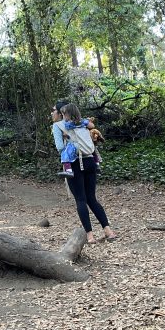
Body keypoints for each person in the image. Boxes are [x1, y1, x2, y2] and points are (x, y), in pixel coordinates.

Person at [51, 101, 117, 244]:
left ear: (61, 113)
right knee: (92, 198)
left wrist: (66, 142)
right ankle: (108, 231)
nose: (52, 113)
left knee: (81, 200)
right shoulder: (81, 123)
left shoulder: (58, 126)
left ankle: (90, 236)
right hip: (90, 161)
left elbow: (60, 147)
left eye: (53, 111)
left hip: (74, 164)